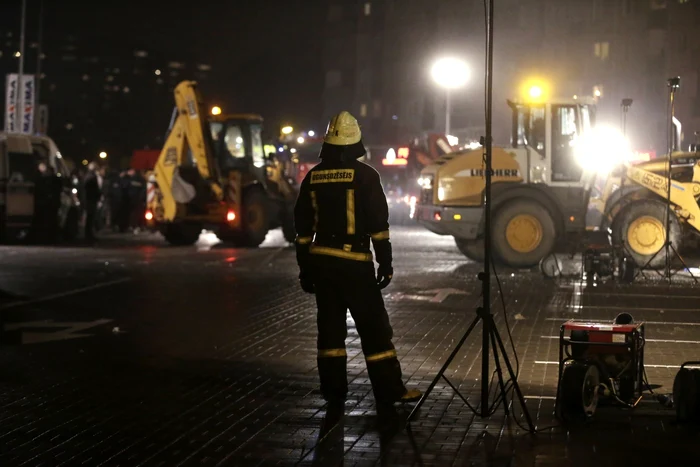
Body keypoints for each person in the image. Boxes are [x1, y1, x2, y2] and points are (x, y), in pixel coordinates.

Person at [293, 111, 421, 422]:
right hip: (355, 264)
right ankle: (390, 391)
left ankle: (334, 392)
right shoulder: (366, 176)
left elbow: (302, 230)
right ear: (355, 143)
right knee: (375, 331)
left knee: (330, 332)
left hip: (322, 263)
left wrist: (306, 269)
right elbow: (379, 225)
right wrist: (385, 263)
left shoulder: (313, 176)